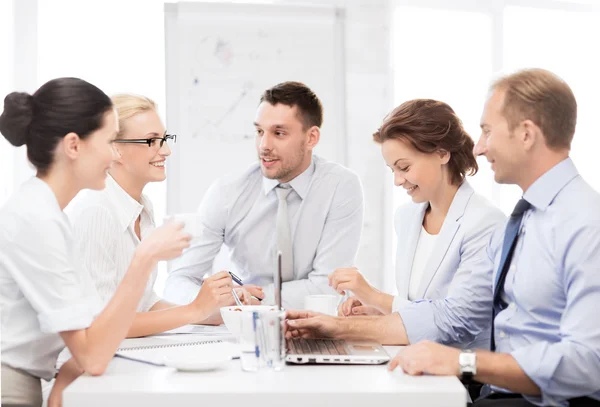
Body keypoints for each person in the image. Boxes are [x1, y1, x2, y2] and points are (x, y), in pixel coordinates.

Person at [388, 69, 600, 407]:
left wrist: (464, 363)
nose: (478, 147)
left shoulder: (585, 223)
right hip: (496, 394)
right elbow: (455, 311)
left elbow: (588, 364)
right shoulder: (526, 219)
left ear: (527, 134)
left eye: (487, 131)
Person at [0, 78, 193, 407]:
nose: (112, 154)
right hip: (12, 387)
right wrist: (144, 258)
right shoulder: (36, 220)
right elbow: (94, 355)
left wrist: (66, 376)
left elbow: (92, 328)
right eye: (108, 141)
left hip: (32, 378)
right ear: (74, 146)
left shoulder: (48, 213)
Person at [286, 99, 504, 350]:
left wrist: (374, 297)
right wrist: (377, 313)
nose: (398, 181)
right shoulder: (407, 217)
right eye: (392, 170)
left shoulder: (485, 223)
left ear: (442, 153)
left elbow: (456, 321)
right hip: (417, 363)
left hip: (464, 377)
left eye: (404, 167)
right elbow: (421, 310)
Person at [164, 81, 364, 309]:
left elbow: (327, 286)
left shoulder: (340, 186)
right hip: (243, 325)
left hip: (316, 324)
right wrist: (212, 302)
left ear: (311, 138)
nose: (264, 145)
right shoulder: (227, 192)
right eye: (259, 132)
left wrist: (252, 299)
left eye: (279, 133)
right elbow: (178, 281)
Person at [66, 94, 252, 337]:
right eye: (151, 141)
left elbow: (146, 304)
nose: (166, 150)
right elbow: (100, 325)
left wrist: (215, 311)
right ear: (114, 148)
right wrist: (194, 310)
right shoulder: (96, 211)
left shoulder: (142, 208)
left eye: (164, 139)